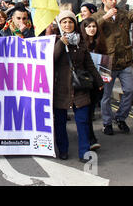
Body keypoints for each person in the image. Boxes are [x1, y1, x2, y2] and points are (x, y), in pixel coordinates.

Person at [91, 0, 133, 135]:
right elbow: (90, 28)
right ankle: (107, 123)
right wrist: (105, 17)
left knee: (129, 91)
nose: (114, 2)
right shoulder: (97, 16)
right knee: (106, 96)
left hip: (124, 60)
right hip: (107, 62)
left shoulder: (123, 14)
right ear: (103, 0)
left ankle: (121, 117)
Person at [53, 11, 104, 162]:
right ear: (60, 25)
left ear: (75, 24)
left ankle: (84, 152)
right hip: (61, 88)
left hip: (80, 87)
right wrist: (61, 43)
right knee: (60, 122)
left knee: (82, 121)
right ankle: (63, 149)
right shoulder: (56, 41)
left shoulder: (81, 41)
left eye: (70, 22)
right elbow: (51, 59)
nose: (67, 25)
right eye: (64, 22)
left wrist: (99, 81)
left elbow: (89, 64)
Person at [80, 17, 108, 151]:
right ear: (83, 29)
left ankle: (90, 137)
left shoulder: (101, 43)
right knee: (86, 113)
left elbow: (106, 64)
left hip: (97, 83)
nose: (92, 29)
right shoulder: (80, 44)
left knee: (90, 112)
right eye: (88, 26)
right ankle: (90, 139)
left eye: (94, 26)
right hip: (84, 83)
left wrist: (103, 79)